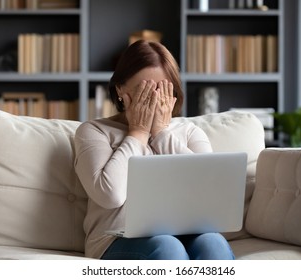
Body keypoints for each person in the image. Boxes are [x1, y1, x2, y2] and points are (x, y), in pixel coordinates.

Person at [74, 40, 235, 260]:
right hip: (115, 239)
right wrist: (138, 132)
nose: (153, 99)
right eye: (145, 90)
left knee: (213, 242)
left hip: (186, 232)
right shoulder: (94, 131)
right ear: (120, 89)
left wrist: (160, 133)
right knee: (167, 246)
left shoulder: (189, 132)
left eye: (161, 90)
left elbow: (206, 192)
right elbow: (110, 195)